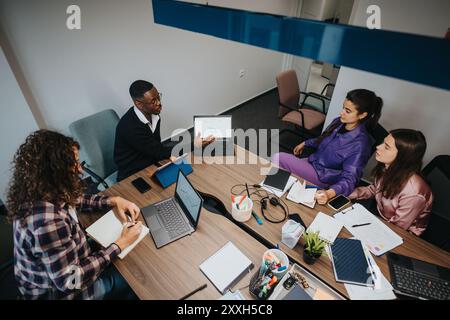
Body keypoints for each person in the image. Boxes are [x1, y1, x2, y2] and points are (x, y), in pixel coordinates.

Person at [7, 130, 143, 300]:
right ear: (55, 171)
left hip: (71, 262)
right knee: (136, 279)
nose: (80, 169)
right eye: (74, 164)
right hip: (64, 293)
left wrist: (114, 200)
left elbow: (75, 199)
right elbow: (70, 282)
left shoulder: (41, 190)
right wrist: (120, 244)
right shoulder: (46, 223)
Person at [272, 89, 383, 204]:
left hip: (324, 176)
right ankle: (280, 193)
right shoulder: (339, 123)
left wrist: (329, 193)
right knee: (284, 173)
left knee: (279, 158)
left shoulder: (360, 145)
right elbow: (323, 139)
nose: (342, 113)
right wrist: (305, 143)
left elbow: (350, 180)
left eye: (348, 111)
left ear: (362, 115)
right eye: (343, 108)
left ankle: (273, 192)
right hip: (314, 162)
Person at [349, 129, 433, 236]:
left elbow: (397, 227)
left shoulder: (414, 192)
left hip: (402, 234)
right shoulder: (388, 168)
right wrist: (347, 193)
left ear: (403, 157)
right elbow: (375, 189)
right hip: (380, 218)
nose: (378, 147)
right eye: (383, 142)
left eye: (387, 147)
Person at [114, 80, 178, 181]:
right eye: (153, 101)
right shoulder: (130, 127)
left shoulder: (154, 116)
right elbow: (157, 151)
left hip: (150, 161)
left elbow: (156, 147)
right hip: (131, 174)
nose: (159, 103)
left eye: (158, 97)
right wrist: (191, 145)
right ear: (139, 104)